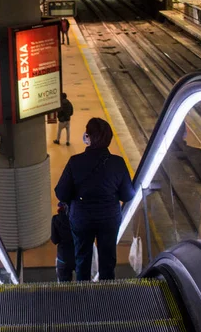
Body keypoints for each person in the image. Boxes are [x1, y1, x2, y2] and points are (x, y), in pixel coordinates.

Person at [55, 118, 135, 280]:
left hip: (82, 218)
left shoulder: (75, 162)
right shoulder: (117, 163)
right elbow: (128, 195)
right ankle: (106, 294)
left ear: (88, 137)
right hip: (109, 218)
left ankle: (84, 293)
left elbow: (61, 194)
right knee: (108, 259)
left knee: (82, 257)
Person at [162, 124, 201, 240]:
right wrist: (193, 186)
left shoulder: (158, 156)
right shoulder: (197, 155)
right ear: (185, 133)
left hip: (165, 214)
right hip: (189, 216)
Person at [51, 202, 76, 282]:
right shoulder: (80, 218)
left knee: (64, 288)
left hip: (63, 257)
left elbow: (55, 240)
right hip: (79, 255)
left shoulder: (56, 219)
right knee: (84, 285)